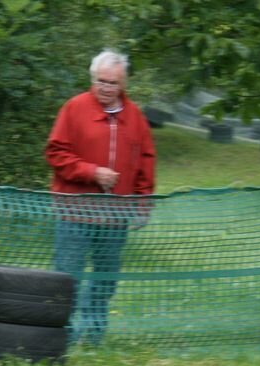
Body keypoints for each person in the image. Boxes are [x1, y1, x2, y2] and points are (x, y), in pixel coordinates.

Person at [45, 48, 156, 346]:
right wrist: (91, 172)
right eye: (100, 81)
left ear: (124, 85)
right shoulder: (74, 108)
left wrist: (143, 204)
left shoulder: (135, 118)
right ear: (92, 79)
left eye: (112, 83)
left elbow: (146, 160)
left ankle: (93, 336)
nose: (106, 89)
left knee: (105, 280)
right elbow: (56, 153)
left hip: (115, 216)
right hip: (74, 212)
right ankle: (59, 335)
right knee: (66, 276)